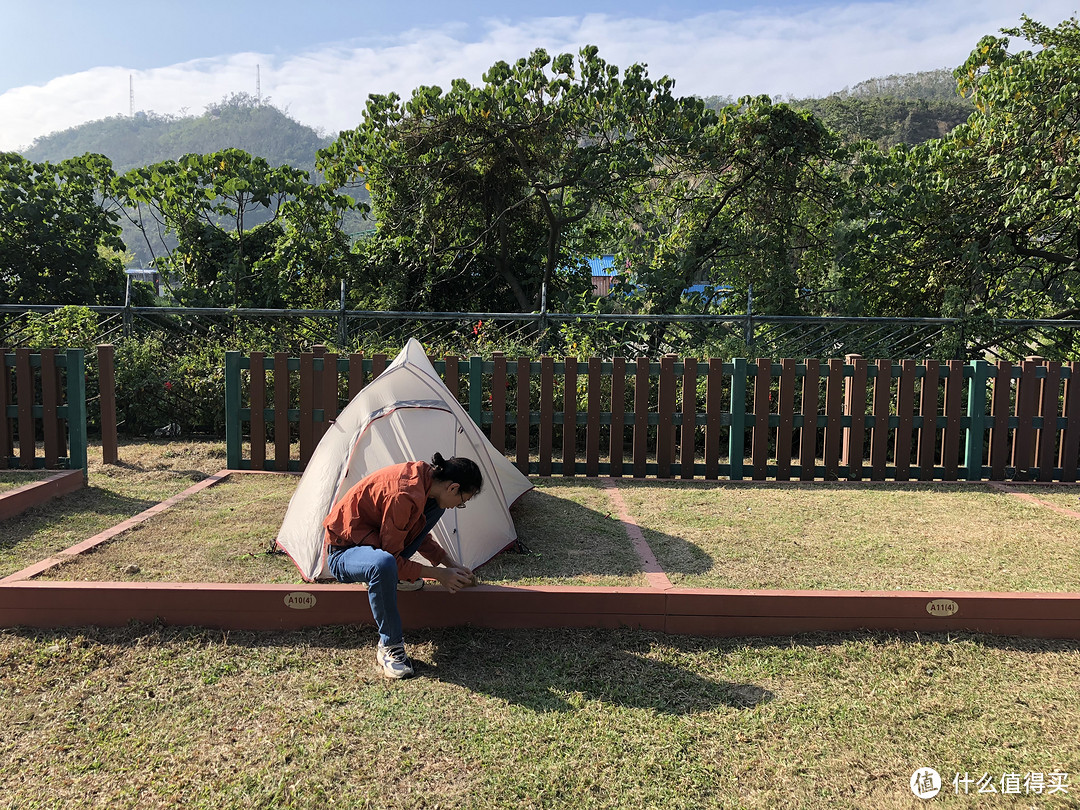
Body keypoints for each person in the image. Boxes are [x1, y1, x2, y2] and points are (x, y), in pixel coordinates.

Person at [323, 452, 481, 679]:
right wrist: (438, 574)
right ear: (453, 488)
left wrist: (450, 563)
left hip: (376, 544)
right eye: (463, 502)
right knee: (384, 564)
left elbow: (414, 531)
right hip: (344, 553)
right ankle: (390, 646)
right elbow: (390, 557)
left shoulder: (425, 483)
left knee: (434, 509)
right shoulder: (404, 494)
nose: (459, 506)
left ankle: (395, 579)